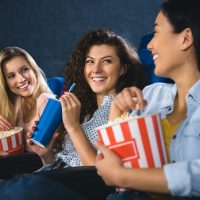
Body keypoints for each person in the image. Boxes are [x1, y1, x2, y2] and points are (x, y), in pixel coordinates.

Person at [95, 0, 200, 199]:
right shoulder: (151, 94)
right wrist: (117, 109)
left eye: (156, 32)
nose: (149, 45)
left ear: (185, 38)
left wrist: (122, 176)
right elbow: (111, 158)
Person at [27, 29, 144, 170]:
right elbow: (66, 161)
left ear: (122, 69)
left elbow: (101, 173)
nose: (96, 69)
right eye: (90, 61)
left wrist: (73, 127)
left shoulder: (122, 108)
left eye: (106, 61)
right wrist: (46, 155)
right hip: (57, 177)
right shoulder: (84, 108)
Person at [0, 47, 55, 156]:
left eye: (24, 70)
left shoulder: (47, 101)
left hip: (46, 170)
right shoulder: (15, 103)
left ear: (34, 70)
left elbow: (50, 156)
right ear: (5, 83)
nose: (21, 79)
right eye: (11, 76)